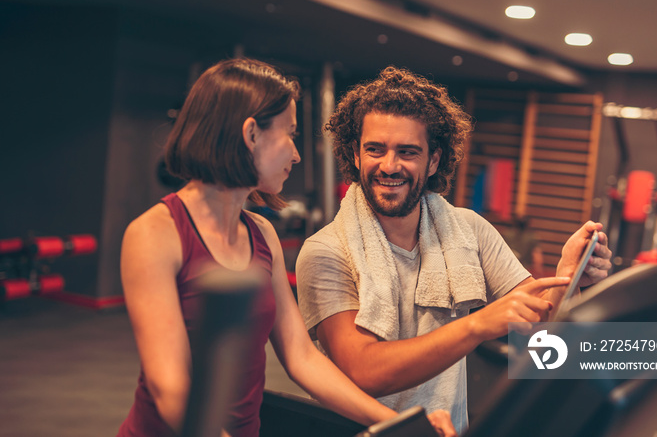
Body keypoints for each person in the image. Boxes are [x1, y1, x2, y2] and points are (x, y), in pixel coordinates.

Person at [116, 59, 456, 437]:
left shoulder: (262, 234)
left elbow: (302, 357)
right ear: (251, 135)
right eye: (290, 134)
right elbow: (172, 390)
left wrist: (402, 426)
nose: (295, 155)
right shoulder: (154, 233)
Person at [296, 66, 612, 434]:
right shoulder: (325, 252)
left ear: (433, 160)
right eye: (375, 150)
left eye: (408, 151)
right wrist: (476, 325)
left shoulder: (468, 230)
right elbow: (364, 372)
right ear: (355, 154)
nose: (389, 165)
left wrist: (568, 273)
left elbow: (536, 321)